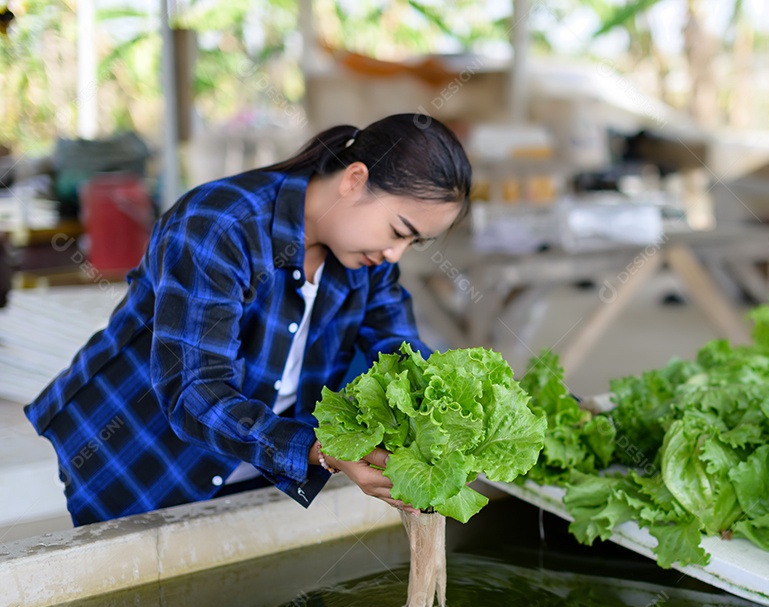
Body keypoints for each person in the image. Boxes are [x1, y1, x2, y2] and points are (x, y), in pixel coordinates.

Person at [24, 113, 471, 526]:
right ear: (354, 180)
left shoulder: (368, 260)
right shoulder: (220, 225)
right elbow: (194, 392)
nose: (394, 254)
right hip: (135, 459)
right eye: (399, 231)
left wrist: (448, 423)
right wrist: (323, 450)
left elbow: (400, 354)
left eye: (414, 243)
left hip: (255, 465)